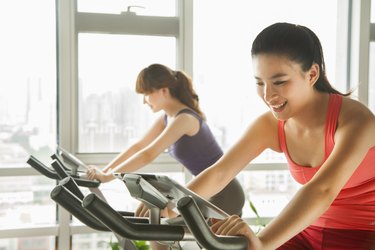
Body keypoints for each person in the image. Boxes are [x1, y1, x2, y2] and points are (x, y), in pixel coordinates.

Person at [187, 22, 375, 249]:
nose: (268, 95)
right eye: (259, 83)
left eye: (279, 82)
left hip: (363, 234)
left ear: (312, 74)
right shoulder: (270, 125)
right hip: (307, 231)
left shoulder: (357, 121)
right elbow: (220, 173)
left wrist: (264, 242)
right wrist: (173, 202)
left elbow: (322, 190)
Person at [86, 63, 245, 216]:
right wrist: (104, 172)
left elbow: (148, 154)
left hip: (225, 192)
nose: (144, 101)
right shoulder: (167, 118)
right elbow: (138, 147)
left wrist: (107, 177)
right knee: (159, 226)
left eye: (146, 94)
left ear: (164, 91)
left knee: (164, 226)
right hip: (208, 189)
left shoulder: (185, 119)